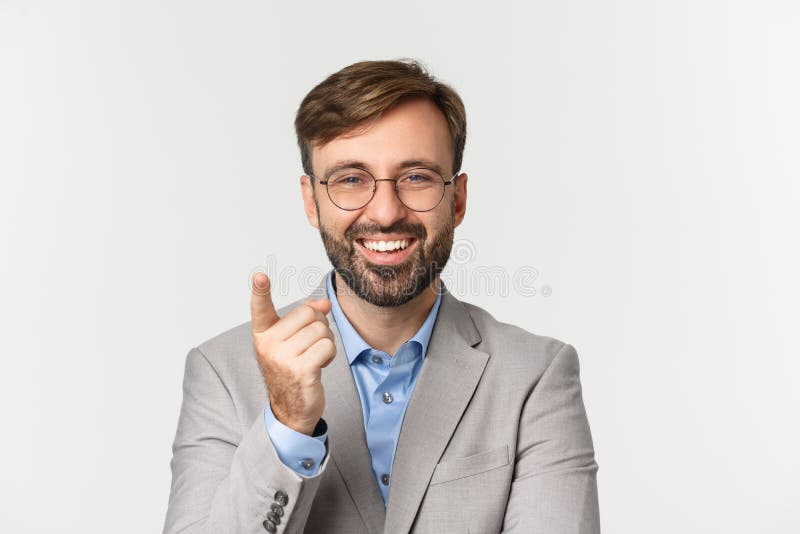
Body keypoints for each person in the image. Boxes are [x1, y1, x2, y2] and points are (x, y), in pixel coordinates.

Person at [164, 59, 600, 534]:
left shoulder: (536, 376)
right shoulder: (221, 373)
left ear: (457, 200)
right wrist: (287, 422)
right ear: (312, 201)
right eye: (351, 179)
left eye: (416, 177)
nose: (386, 211)